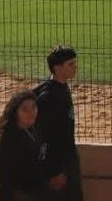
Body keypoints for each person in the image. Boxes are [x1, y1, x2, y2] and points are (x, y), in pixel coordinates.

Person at [34, 45, 83, 201]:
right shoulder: (48, 97)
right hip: (58, 166)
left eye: (75, 63)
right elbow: (45, 135)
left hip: (67, 159)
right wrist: (54, 172)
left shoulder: (61, 87)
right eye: (70, 64)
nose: (75, 68)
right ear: (57, 68)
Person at [0, 90, 54, 201]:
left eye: (33, 107)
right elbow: (6, 181)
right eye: (24, 109)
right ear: (15, 113)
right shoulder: (10, 140)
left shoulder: (32, 130)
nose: (31, 112)